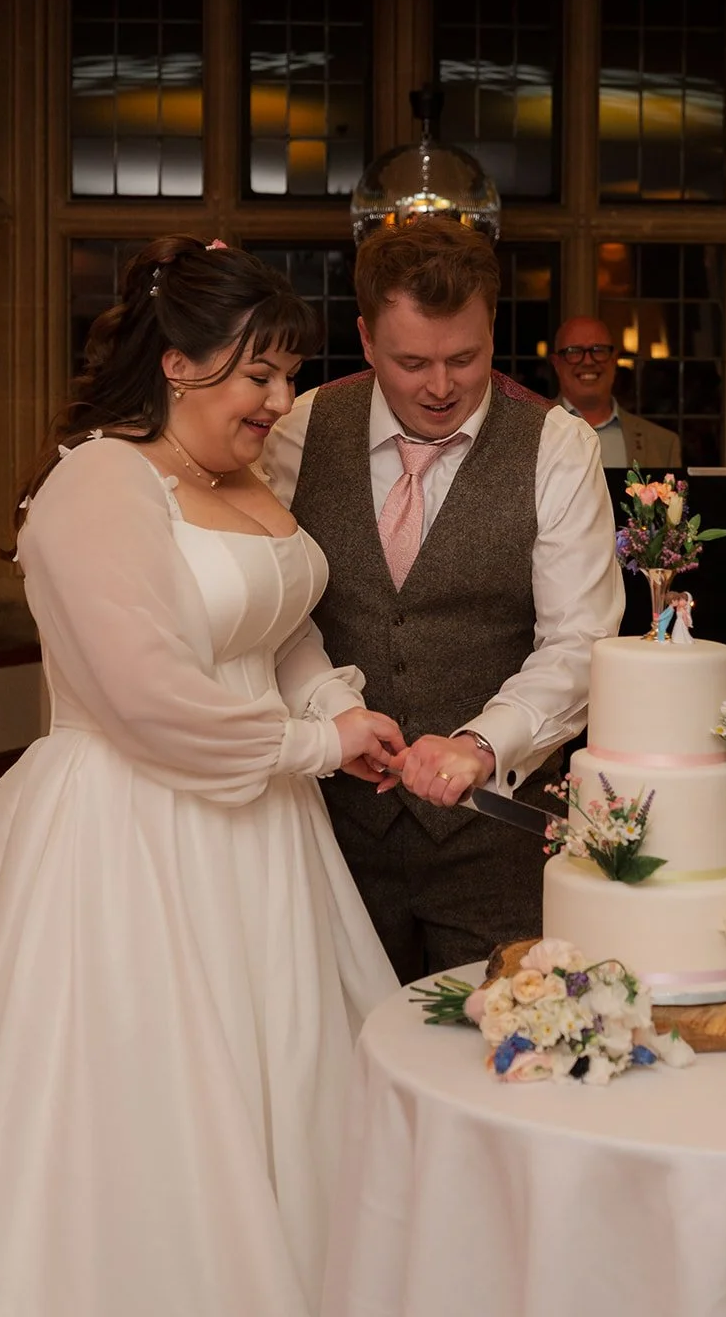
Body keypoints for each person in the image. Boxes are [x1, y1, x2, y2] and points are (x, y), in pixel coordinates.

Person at [0, 236, 404, 1317]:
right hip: (131, 832)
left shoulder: (234, 472)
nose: (280, 399)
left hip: (264, 831)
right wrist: (313, 748)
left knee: (281, 1085)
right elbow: (148, 698)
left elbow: (277, 629)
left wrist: (339, 706)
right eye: (259, 373)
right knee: (153, 1111)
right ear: (179, 363)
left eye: (286, 373)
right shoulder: (97, 483)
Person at [262, 218, 624, 984]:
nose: (439, 386)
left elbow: (579, 641)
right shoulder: (292, 432)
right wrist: (330, 716)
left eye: (464, 358)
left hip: (492, 840)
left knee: (501, 1051)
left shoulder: (557, 446)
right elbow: (275, 615)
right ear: (364, 339)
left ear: (493, 329)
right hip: (326, 827)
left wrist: (481, 744)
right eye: (410, 361)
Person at [551, 314, 682, 470]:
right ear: (556, 364)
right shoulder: (529, 435)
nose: (588, 361)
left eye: (598, 350)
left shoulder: (662, 444)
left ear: (614, 360)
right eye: (574, 351)